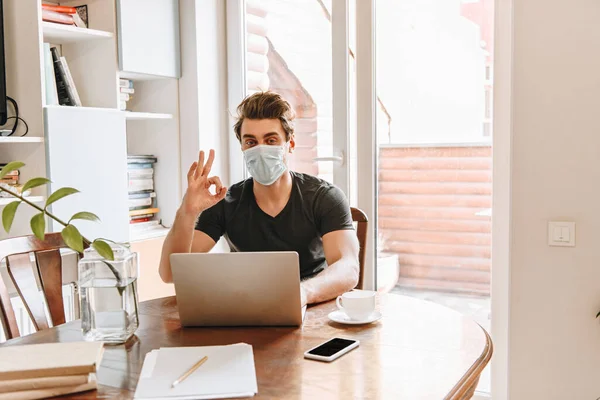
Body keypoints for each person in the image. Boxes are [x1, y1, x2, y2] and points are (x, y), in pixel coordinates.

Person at [159, 91, 360, 306]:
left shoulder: (324, 197)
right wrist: (187, 211)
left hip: (312, 306)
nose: (260, 149)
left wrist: (302, 293)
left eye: (271, 140)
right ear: (243, 148)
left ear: (289, 144)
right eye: (251, 142)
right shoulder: (225, 202)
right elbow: (170, 273)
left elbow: (348, 268)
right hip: (246, 306)